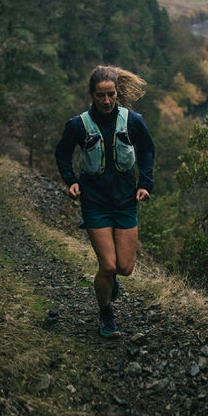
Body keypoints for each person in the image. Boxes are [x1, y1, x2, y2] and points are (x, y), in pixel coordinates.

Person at [55, 65, 155, 338]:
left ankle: (110, 283)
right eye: (101, 95)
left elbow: (147, 151)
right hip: (95, 201)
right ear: (92, 95)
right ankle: (105, 313)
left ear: (117, 92)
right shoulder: (78, 125)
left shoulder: (132, 120)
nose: (107, 101)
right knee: (107, 266)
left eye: (111, 94)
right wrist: (71, 180)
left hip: (125, 200)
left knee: (125, 268)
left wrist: (145, 184)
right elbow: (63, 154)